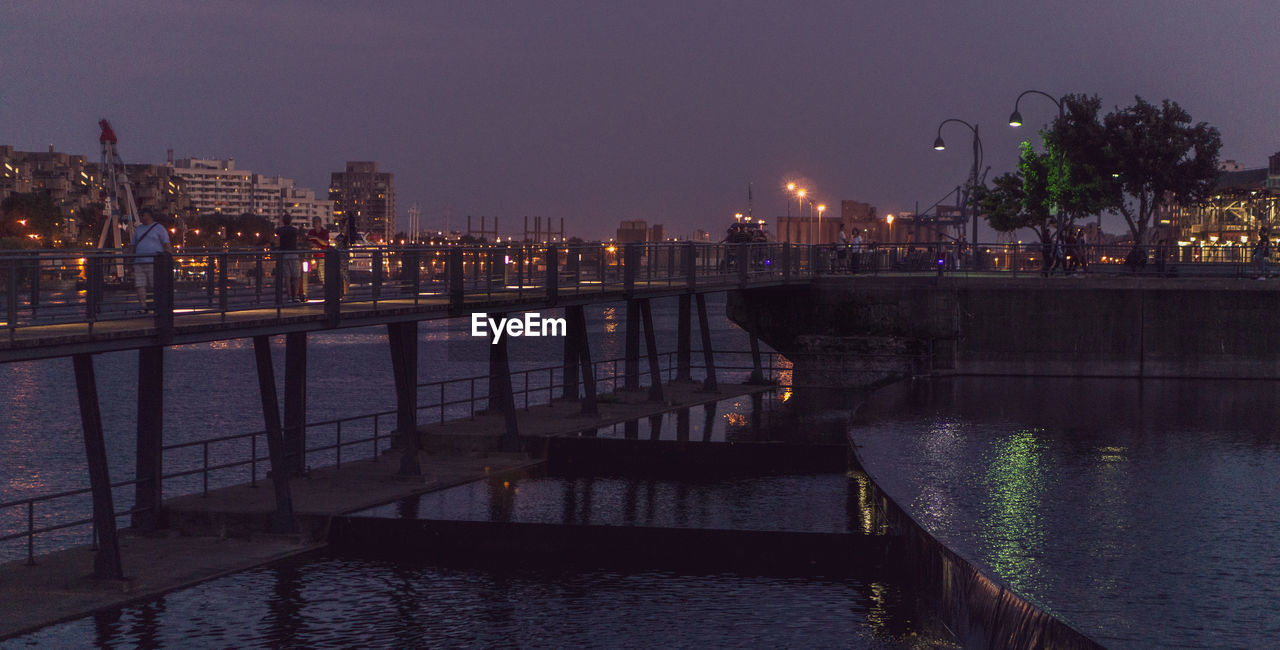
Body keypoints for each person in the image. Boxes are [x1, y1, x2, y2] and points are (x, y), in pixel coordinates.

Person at [128, 209, 174, 312]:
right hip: (139, 262)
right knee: (140, 285)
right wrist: (129, 259)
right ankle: (143, 306)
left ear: (149, 216)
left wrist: (168, 258)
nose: (140, 218)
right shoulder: (138, 229)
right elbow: (132, 245)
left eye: (142, 215)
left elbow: (166, 244)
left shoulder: (159, 228)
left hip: (155, 262)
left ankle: (157, 306)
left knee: (155, 285)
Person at [272, 214, 303, 302]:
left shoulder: (280, 230)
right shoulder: (294, 230)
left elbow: (275, 239)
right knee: (296, 276)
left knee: (287, 277)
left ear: (283, 221)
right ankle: (296, 296)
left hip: (284, 255)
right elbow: (299, 239)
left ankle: (289, 296)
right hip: (294, 254)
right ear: (291, 221)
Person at [305, 217, 330, 299]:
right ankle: (305, 291)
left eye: (316, 222)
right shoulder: (311, 232)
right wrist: (311, 245)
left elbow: (326, 243)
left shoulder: (324, 232)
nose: (314, 224)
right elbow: (308, 241)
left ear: (319, 223)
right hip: (312, 255)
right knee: (308, 271)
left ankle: (326, 288)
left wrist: (316, 239)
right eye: (313, 222)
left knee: (322, 272)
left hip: (322, 255)